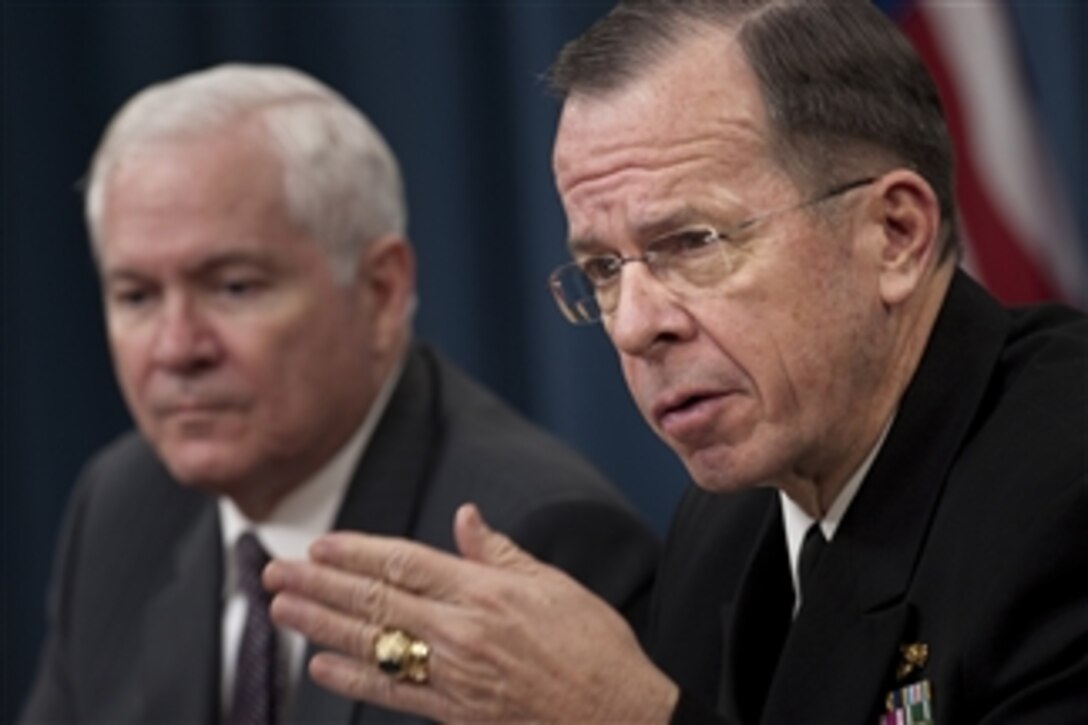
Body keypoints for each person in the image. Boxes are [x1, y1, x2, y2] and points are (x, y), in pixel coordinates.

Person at [262, 1, 1088, 723]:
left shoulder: (1064, 487)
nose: (633, 326)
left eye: (692, 242)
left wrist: (627, 716)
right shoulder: (724, 529)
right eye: (602, 269)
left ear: (895, 235)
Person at [19, 63, 660, 725]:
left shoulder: (532, 541)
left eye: (234, 287)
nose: (177, 347)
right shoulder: (121, 504)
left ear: (380, 291)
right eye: (136, 296)